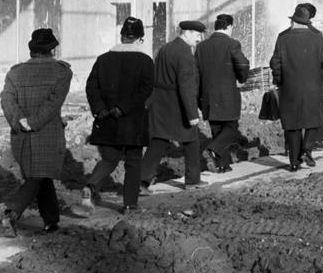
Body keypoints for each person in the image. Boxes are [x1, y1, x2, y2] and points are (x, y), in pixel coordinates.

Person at [1, 29, 72, 235]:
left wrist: (20, 121)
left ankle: (51, 220)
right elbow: (53, 104)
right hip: (48, 135)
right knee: (37, 177)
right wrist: (32, 122)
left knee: (40, 176)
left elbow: (6, 100)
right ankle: (11, 214)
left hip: (20, 136)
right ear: (52, 49)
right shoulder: (62, 72)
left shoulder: (15, 72)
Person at [82, 17, 154, 214]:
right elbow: (146, 89)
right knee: (133, 161)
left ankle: (90, 186)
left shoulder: (103, 59)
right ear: (140, 39)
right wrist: (122, 108)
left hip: (106, 120)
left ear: (122, 36)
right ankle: (130, 205)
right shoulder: (146, 61)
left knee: (109, 159)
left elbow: (91, 87)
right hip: (132, 121)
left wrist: (101, 110)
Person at [270, 4, 323, 171]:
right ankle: (306, 150)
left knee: (292, 125)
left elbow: (275, 63)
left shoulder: (283, 38)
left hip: (290, 89)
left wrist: (280, 80)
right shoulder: (318, 38)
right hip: (313, 88)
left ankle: (294, 162)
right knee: (313, 121)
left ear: (294, 22)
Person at [141, 20, 207, 191]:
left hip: (160, 103)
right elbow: (186, 87)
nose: (199, 39)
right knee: (192, 139)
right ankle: (192, 180)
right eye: (198, 35)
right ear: (188, 32)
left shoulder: (165, 48)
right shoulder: (185, 53)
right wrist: (192, 114)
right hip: (177, 104)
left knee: (158, 142)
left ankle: (141, 182)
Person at [196, 14, 250, 173]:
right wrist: (242, 78)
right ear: (229, 27)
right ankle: (212, 149)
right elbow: (243, 64)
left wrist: (198, 96)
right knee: (231, 130)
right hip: (227, 96)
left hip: (207, 96)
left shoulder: (201, 47)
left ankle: (223, 164)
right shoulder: (232, 44)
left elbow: (196, 72)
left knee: (217, 130)